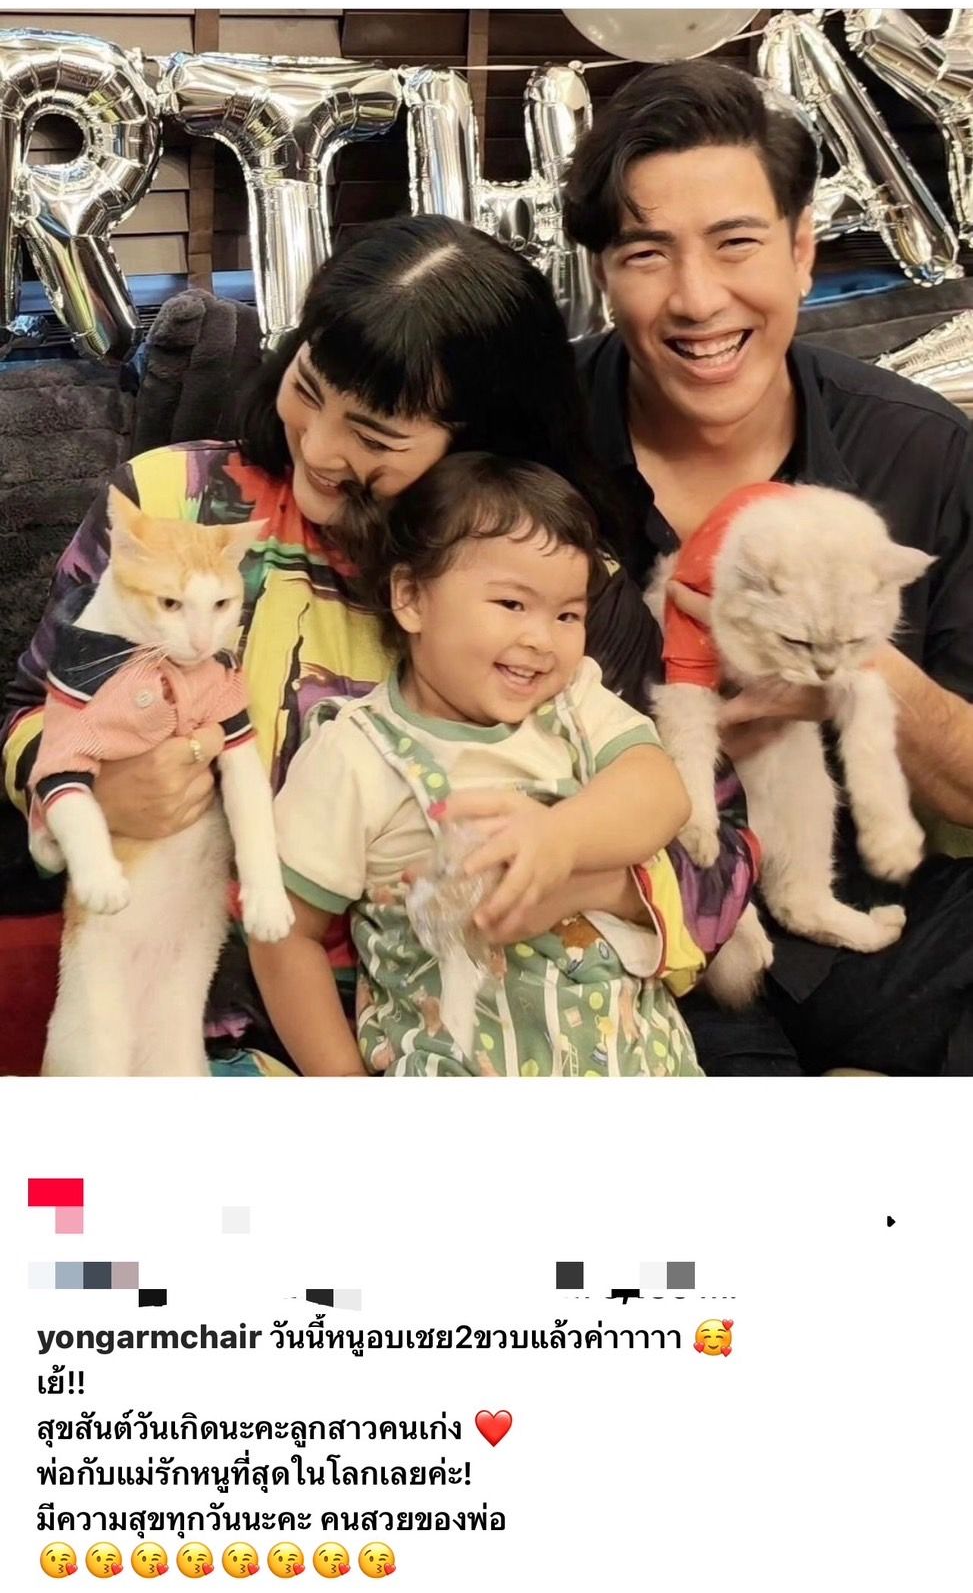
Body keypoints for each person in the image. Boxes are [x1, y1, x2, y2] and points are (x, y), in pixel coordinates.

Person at [0, 215, 756, 1076]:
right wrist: (95, 789)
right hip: (194, 1022)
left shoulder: (555, 595)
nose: (319, 449)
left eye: (375, 436)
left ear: (476, 441)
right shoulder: (171, 506)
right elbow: (30, 711)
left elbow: (718, 848)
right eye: (308, 387)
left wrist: (574, 873)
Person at [563, 57, 973, 1076]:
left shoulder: (921, 451)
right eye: (646, 253)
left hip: (885, 917)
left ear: (800, 252)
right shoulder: (529, 442)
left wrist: (840, 671)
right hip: (633, 928)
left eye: (736, 243)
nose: (698, 299)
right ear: (603, 274)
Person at [252, 451, 704, 1078]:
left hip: (641, 1062)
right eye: (512, 605)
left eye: (568, 615)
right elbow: (284, 934)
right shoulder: (354, 753)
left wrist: (562, 837)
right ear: (411, 598)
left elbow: (661, 791)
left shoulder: (575, 705)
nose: (541, 639)